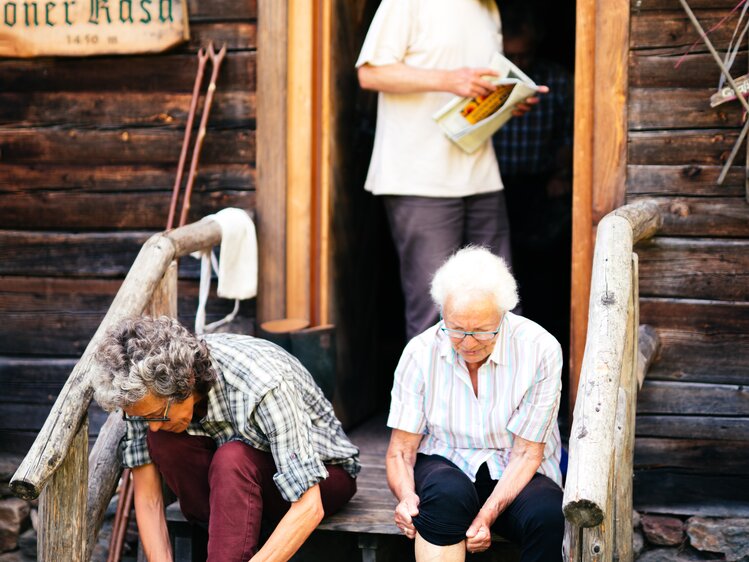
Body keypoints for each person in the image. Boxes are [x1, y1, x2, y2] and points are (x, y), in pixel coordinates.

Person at [92, 316, 359, 561]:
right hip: (231, 496)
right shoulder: (145, 399)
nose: (151, 426)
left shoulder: (264, 385)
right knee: (164, 443)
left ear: (184, 385)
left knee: (233, 458)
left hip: (323, 476)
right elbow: (149, 500)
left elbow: (309, 508)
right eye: (142, 418)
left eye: (155, 416)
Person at [356, 0, 547, 340]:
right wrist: (449, 80)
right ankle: (429, 396)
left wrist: (506, 102)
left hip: (482, 176)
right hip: (419, 177)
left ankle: (496, 395)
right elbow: (371, 73)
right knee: (433, 315)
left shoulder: (490, 9)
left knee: (502, 307)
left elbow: (474, 91)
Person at [386, 246, 564, 562]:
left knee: (549, 515)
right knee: (444, 495)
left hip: (517, 469)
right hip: (446, 460)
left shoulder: (540, 350)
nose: (468, 343)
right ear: (442, 313)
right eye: (456, 329)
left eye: (482, 331)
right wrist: (406, 498)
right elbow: (401, 450)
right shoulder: (419, 352)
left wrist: (487, 515)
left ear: (504, 314)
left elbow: (526, 452)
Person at [493, 0, 573, 365]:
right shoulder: (488, 82)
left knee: (541, 280)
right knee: (498, 274)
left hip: (541, 188)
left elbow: (575, 134)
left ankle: (541, 359)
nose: (519, 66)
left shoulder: (556, 79)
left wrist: (561, 176)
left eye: (524, 56)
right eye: (512, 57)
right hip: (492, 186)